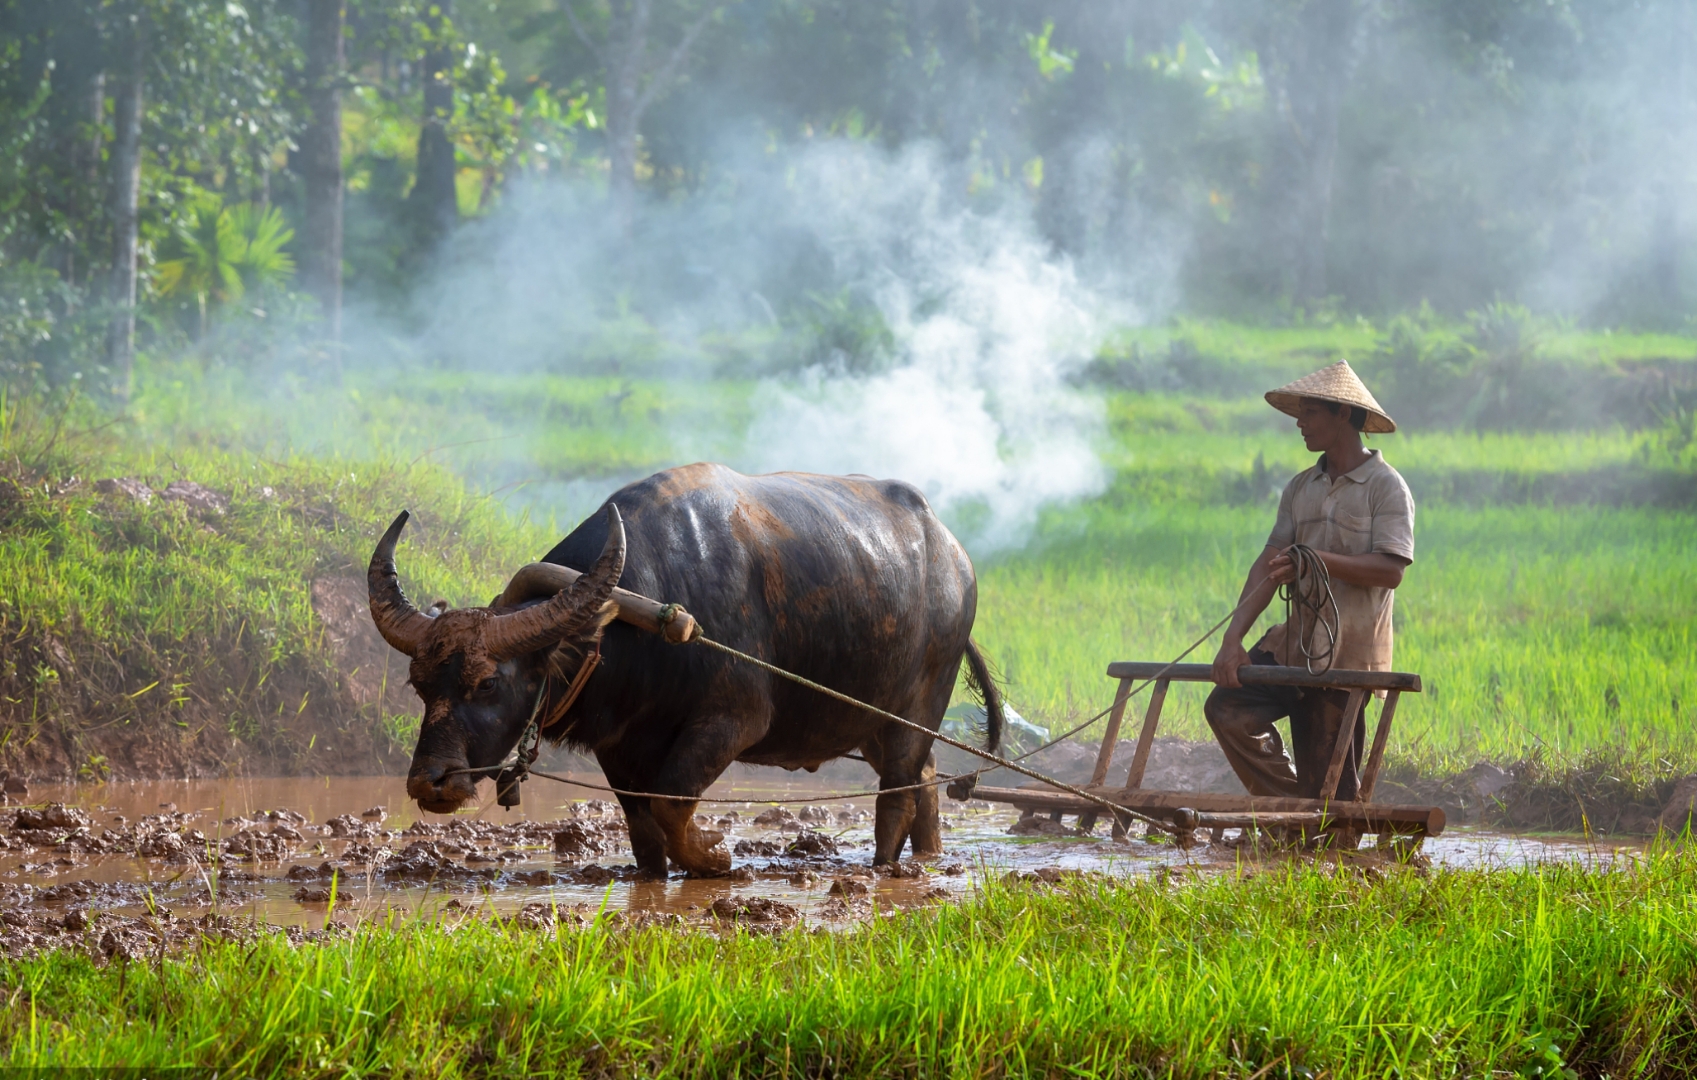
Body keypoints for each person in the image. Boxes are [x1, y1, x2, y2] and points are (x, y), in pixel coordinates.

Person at [1206, 360, 1414, 801]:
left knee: (1332, 786)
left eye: (1310, 413)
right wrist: (1232, 638)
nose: (1299, 424)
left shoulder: (1385, 486)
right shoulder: (1301, 488)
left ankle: (1328, 835)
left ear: (1343, 414)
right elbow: (1268, 563)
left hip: (1346, 659)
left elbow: (1391, 571)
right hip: (1293, 645)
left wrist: (1317, 560)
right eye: (1299, 414)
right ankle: (1289, 807)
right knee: (1227, 709)